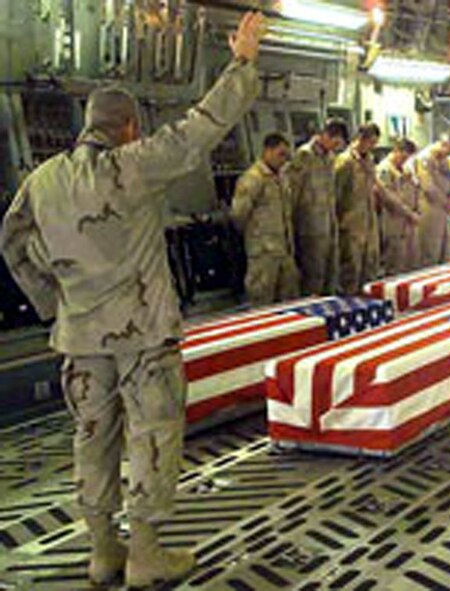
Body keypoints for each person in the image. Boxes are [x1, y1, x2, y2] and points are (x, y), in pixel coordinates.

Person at [0, 12, 265, 587]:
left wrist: (53, 300)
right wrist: (242, 63)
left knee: (91, 439)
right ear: (128, 129)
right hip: (144, 337)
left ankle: (102, 552)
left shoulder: (42, 181)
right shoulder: (135, 166)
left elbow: (13, 240)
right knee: (151, 434)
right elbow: (204, 125)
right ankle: (145, 554)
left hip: (79, 339)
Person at [231, 132, 299, 304]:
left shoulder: (282, 177)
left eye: (286, 155)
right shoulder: (252, 179)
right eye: (280, 154)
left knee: (289, 300)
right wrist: (256, 238)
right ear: (267, 151)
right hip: (263, 254)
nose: (284, 160)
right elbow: (239, 215)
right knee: (261, 300)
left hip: (285, 250)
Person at [291, 118, 349, 295]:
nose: (336, 147)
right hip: (310, 227)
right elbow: (293, 194)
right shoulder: (304, 156)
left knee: (331, 273)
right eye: (335, 142)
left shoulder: (329, 158)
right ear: (326, 135)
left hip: (329, 224)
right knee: (313, 276)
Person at [334, 123, 382, 294]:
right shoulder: (344, 162)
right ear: (361, 139)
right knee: (351, 271)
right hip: (351, 227)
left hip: (369, 224)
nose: (373, 147)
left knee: (370, 268)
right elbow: (336, 196)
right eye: (371, 143)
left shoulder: (369, 160)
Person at [411, 134, 450, 267]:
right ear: (442, 145)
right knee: (430, 251)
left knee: (445, 251)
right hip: (429, 208)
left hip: (444, 210)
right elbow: (428, 186)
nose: (448, 155)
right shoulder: (425, 159)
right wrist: (445, 202)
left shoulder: (444, 160)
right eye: (448, 150)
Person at [376, 138, 420, 275]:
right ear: (396, 151)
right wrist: (408, 213)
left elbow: (415, 188)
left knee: (409, 262)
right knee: (394, 262)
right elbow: (388, 196)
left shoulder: (405, 168)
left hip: (408, 221)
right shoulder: (384, 169)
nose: (405, 160)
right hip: (393, 220)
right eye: (403, 156)